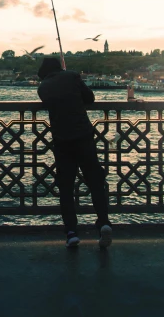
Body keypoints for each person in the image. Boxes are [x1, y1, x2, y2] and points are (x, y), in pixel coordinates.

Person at [36, 57, 112, 249]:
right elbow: (90, 98)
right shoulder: (72, 76)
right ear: (60, 67)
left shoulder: (42, 88)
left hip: (62, 141)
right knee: (95, 181)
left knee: (66, 188)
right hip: (84, 137)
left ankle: (71, 232)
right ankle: (103, 222)